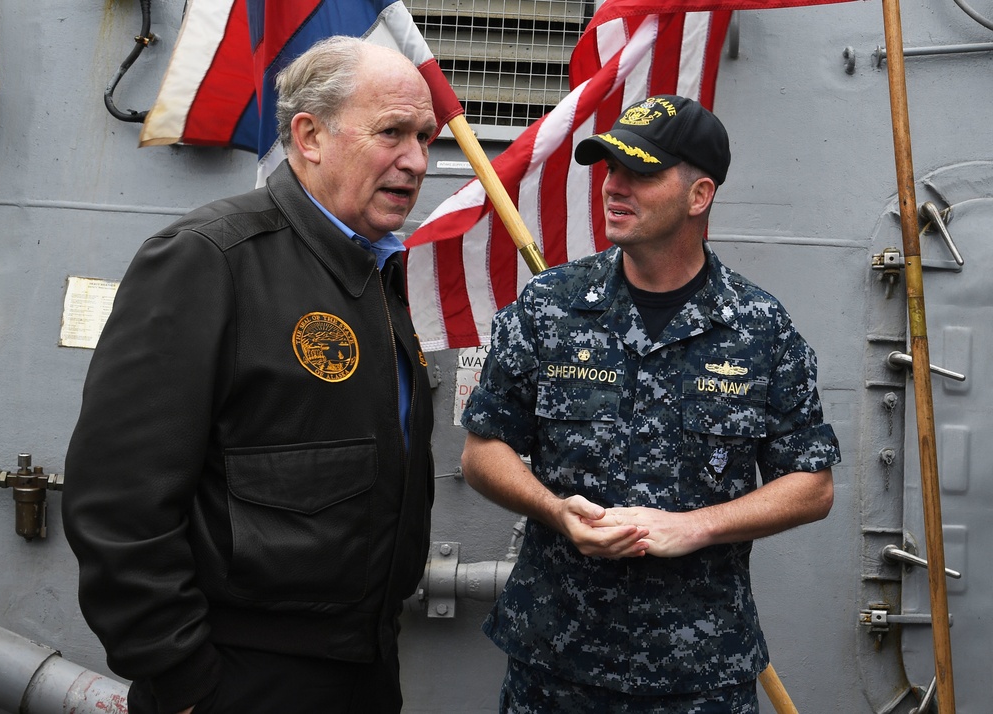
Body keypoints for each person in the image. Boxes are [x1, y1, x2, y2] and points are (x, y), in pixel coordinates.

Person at [62, 36, 437, 714]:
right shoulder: (210, 260)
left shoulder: (377, 272)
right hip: (237, 680)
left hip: (363, 669)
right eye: (392, 133)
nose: (416, 161)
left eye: (424, 136)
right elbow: (118, 503)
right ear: (309, 135)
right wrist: (182, 682)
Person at [459, 94, 841, 713]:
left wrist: (695, 526)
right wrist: (557, 512)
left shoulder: (760, 328)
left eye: (641, 173)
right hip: (556, 666)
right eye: (612, 170)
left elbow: (811, 485)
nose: (615, 187)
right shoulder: (550, 305)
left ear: (699, 195)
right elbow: (484, 451)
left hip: (700, 674)